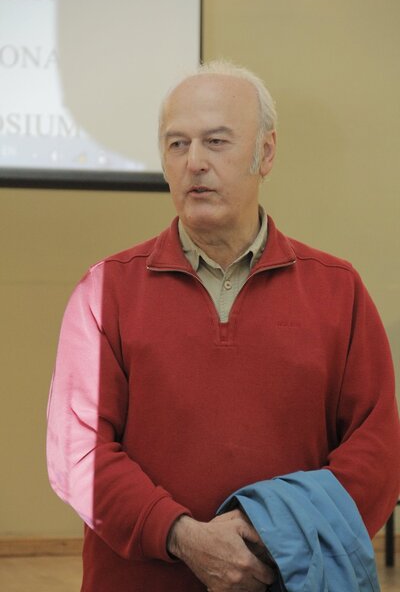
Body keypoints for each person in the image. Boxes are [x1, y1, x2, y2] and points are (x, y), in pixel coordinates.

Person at [47, 60, 400, 592]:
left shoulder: (339, 290)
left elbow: (377, 451)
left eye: (216, 141)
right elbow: (77, 452)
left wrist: (274, 537)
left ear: (266, 153)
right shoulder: (104, 291)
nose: (194, 162)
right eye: (177, 144)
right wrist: (182, 536)